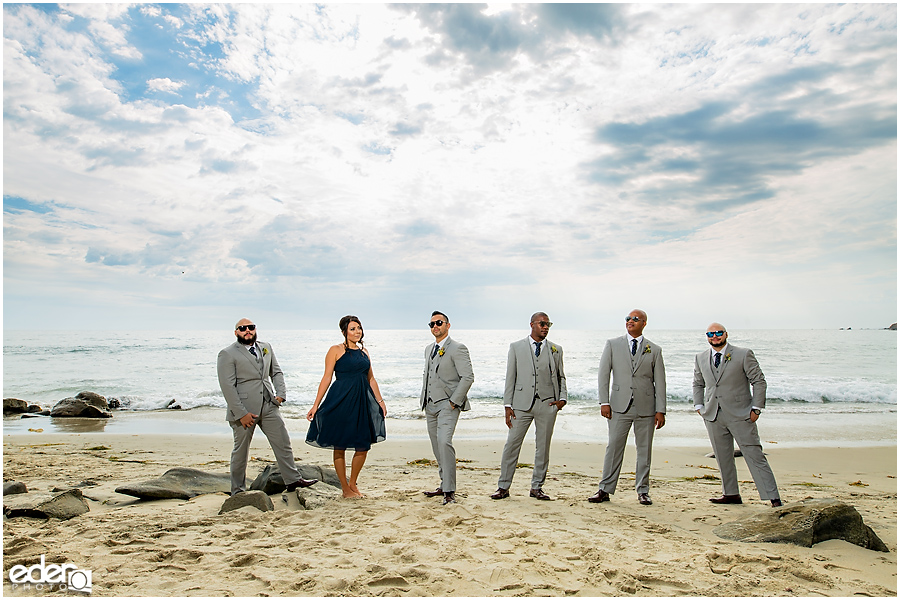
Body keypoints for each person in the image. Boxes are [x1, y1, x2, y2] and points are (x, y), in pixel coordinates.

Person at [217, 318, 317, 496]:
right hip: (245, 409)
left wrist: (281, 393)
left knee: (283, 441)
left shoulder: (266, 347)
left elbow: (276, 371)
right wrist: (241, 413)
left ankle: (292, 480)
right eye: (242, 328)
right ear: (236, 332)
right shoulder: (227, 354)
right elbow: (227, 387)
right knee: (241, 451)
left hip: (269, 404)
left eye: (251, 327)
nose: (247, 330)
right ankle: (238, 490)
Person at [692, 323, 782, 507]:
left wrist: (756, 408)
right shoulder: (700, 357)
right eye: (710, 333)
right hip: (713, 415)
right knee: (722, 456)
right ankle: (731, 494)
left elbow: (759, 381)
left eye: (718, 333)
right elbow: (697, 383)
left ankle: (773, 497)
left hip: (741, 414)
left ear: (725, 334)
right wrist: (699, 406)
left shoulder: (743, 354)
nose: (714, 336)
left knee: (754, 455)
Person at [590, 309, 666, 506]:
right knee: (614, 447)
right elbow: (603, 374)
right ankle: (605, 489)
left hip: (646, 408)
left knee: (644, 450)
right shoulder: (613, 345)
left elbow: (660, 382)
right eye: (627, 318)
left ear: (644, 323)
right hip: (618, 406)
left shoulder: (654, 350)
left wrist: (661, 410)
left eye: (635, 319)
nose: (630, 321)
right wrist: (604, 402)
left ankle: (643, 491)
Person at [306, 315, 387, 498]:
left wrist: (380, 402)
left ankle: (353, 483)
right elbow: (327, 378)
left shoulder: (364, 352)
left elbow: (371, 379)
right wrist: (315, 405)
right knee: (340, 444)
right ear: (344, 332)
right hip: (340, 400)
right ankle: (344, 488)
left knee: (363, 445)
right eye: (352, 329)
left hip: (362, 402)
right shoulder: (335, 350)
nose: (357, 332)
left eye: (358, 328)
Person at [491, 312, 567, 501]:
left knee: (543, 447)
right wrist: (507, 405)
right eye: (542, 323)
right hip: (521, 405)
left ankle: (537, 487)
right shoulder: (516, 347)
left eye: (548, 324)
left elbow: (561, 376)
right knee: (512, 445)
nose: (546, 327)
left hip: (547, 404)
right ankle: (503, 486)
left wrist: (562, 400)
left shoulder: (556, 349)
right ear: (532, 324)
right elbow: (511, 377)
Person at [420, 311, 475, 505]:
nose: (435, 326)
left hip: (448, 404)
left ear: (448, 325)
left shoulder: (458, 348)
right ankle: (444, 484)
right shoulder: (428, 349)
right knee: (436, 446)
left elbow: (468, 377)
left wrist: (454, 401)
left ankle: (450, 490)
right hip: (430, 405)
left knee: (444, 442)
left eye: (439, 323)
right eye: (432, 324)